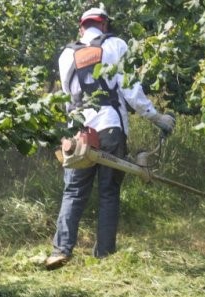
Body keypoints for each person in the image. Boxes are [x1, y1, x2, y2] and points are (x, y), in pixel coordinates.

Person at [45, 7, 175, 270]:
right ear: (104, 25)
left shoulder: (66, 54)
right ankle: (104, 254)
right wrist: (156, 117)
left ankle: (61, 250)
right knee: (108, 192)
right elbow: (130, 90)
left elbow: (70, 97)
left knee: (73, 191)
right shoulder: (116, 45)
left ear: (82, 27)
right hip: (110, 127)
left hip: (79, 131)